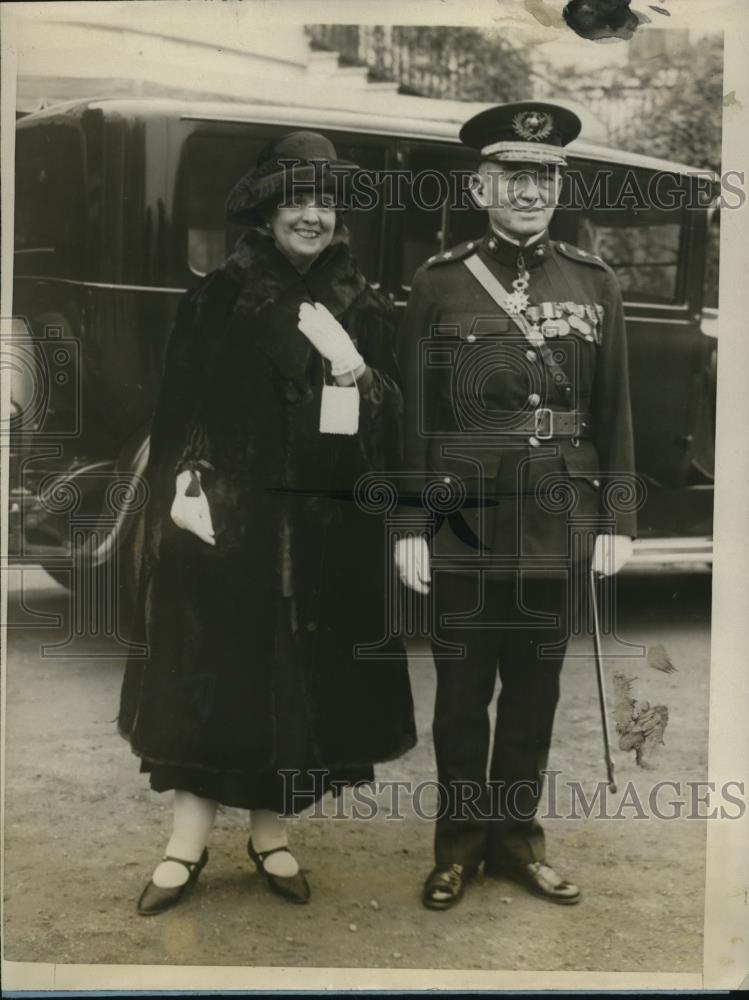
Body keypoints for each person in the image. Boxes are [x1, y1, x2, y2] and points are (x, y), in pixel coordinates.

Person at [118, 131, 415, 915]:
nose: (312, 216)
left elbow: (387, 427)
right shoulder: (218, 296)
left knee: (291, 679)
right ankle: (183, 849)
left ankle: (270, 838)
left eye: (324, 202)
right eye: (296, 201)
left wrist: (356, 370)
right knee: (209, 677)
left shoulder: (361, 303)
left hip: (321, 534)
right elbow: (179, 407)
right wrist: (185, 481)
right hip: (225, 525)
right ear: (266, 211)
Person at [395, 101, 637, 910]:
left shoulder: (594, 282)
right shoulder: (438, 282)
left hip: (555, 513)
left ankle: (516, 844)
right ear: (480, 187)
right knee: (462, 695)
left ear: (557, 188)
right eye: (512, 176)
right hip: (462, 517)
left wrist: (617, 519)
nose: (529, 192)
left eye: (543, 177)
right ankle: (457, 850)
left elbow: (616, 411)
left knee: (535, 692)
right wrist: (409, 525)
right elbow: (414, 416)